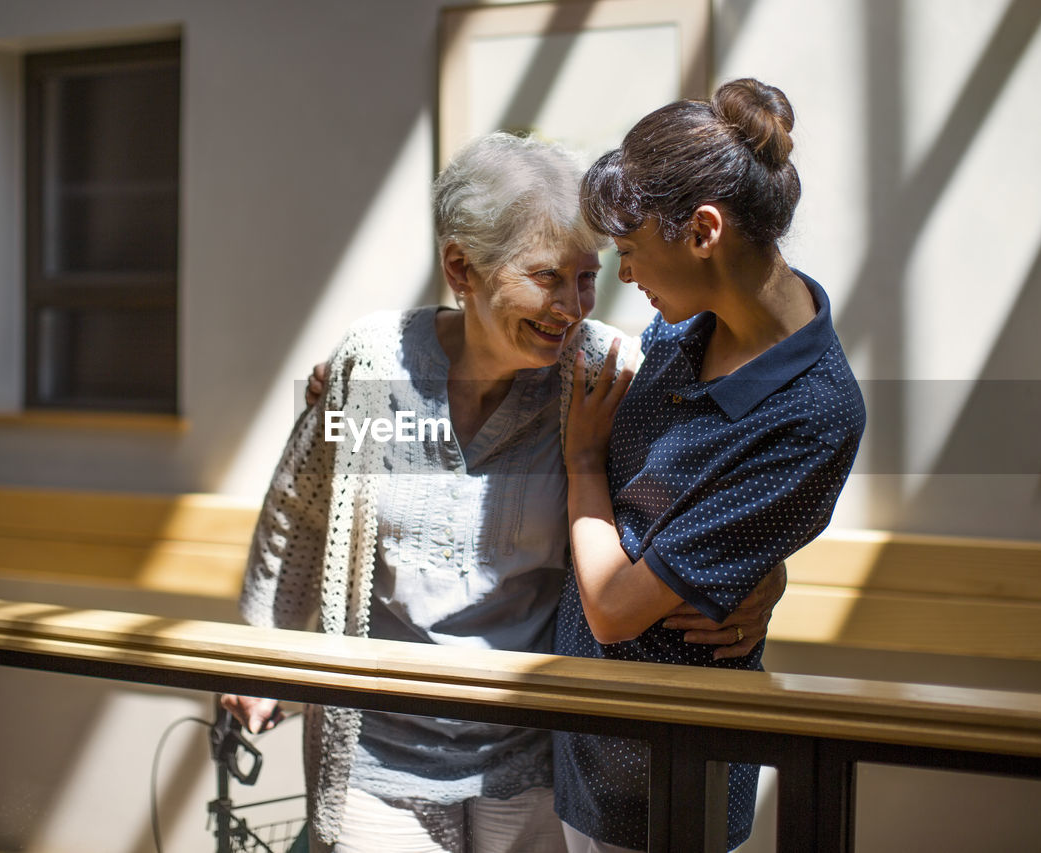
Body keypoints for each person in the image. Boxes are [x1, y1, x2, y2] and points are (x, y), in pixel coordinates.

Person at [224, 131, 787, 853]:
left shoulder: (604, 371)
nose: (574, 305)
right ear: (463, 266)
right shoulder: (372, 367)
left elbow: (705, 499)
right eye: (549, 277)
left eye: (588, 277)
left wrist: (760, 576)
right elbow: (299, 511)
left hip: (536, 751)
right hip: (375, 749)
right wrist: (260, 650)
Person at [556, 79, 867, 852]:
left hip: (668, 770)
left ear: (702, 230)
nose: (625, 277)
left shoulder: (815, 411)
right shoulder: (688, 325)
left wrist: (583, 461)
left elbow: (615, 607)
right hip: (584, 746)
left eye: (630, 252)